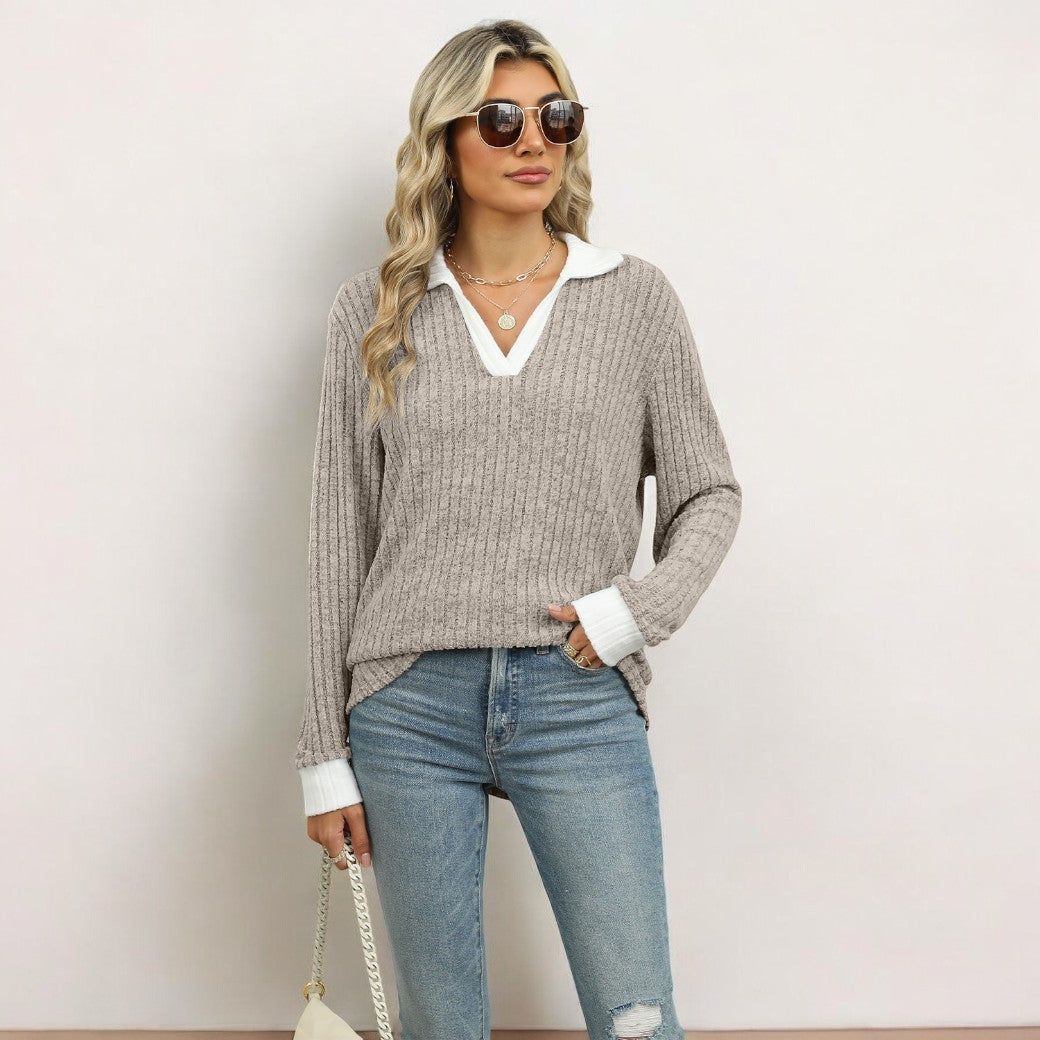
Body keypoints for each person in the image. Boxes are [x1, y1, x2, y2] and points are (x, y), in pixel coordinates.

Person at [295, 18, 742, 1040]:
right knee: (441, 1024)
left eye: (556, 116)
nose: (532, 139)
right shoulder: (374, 310)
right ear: (445, 141)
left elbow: (708, 492)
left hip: (577, 696)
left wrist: (636, 612)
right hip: (406, 705)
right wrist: (323, 753)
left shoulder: (632, 299)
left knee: (637, 1016)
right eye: (499, 120)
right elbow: (335, 542)